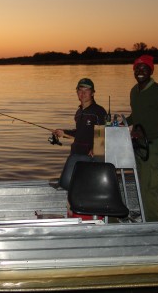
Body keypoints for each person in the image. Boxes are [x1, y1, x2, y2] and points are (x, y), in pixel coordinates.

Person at [52, 78, 107, 217]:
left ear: (93, 93)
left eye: (86, 90)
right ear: (77, 92)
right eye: (80, 90)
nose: (83, 93)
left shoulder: (98, 111)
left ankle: (85, 211)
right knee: (67, 183)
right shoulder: (79, 112)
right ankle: (74, 211)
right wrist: (63, 133)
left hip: (89, 157)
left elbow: (103, 132)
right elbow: (79, 132)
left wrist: (96, 149)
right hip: (76, 153)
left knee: (72, 184)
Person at [126, 55, 158, 222]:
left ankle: (152, 226)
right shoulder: (134, 91)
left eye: (144, 68)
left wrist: (147, 132)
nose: (140, 71)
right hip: (138, 146)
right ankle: (144, 219)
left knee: (150, 188)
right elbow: (136, 115)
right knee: (140, 185)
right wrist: (122, 121)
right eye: (137, 68)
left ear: (151, 70)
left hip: (153, 145)